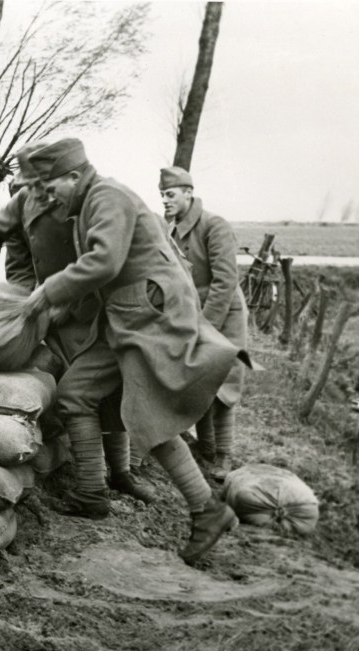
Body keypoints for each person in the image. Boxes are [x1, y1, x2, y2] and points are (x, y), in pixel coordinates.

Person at [20, 137, 247, 564]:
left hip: (151, 316)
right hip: (124, 317)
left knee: (147, 414)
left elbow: (104, 262)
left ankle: (207, 509)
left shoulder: (107, 197)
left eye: (53, 188)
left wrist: (49, 293)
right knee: (76, 393)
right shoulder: (86, 204)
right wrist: (63, 306)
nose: (50, 198)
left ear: (74, 176)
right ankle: (91, 492)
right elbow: (102, 274)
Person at [0, 143, 158, 510]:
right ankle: (91, 476)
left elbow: (100, 262)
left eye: (40, 184)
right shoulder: (25, 201)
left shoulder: (79, 201)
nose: (35, 192)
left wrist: (60, 301)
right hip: (47, 308)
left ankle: (120, 473)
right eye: (27, 185)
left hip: (89, 305)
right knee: (75, 393)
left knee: (106, 391)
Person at [160, 166, 249, 482]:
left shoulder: (214, 225)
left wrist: (206, 328)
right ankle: (207, 448)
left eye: (171, 194)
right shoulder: (171, 232)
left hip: (224, 315)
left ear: (188, 193)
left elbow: (225, 281)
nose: (165, 200)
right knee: (199, 381)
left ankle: (224, 456)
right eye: (162, 195)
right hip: (193, 316)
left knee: (223, 382)